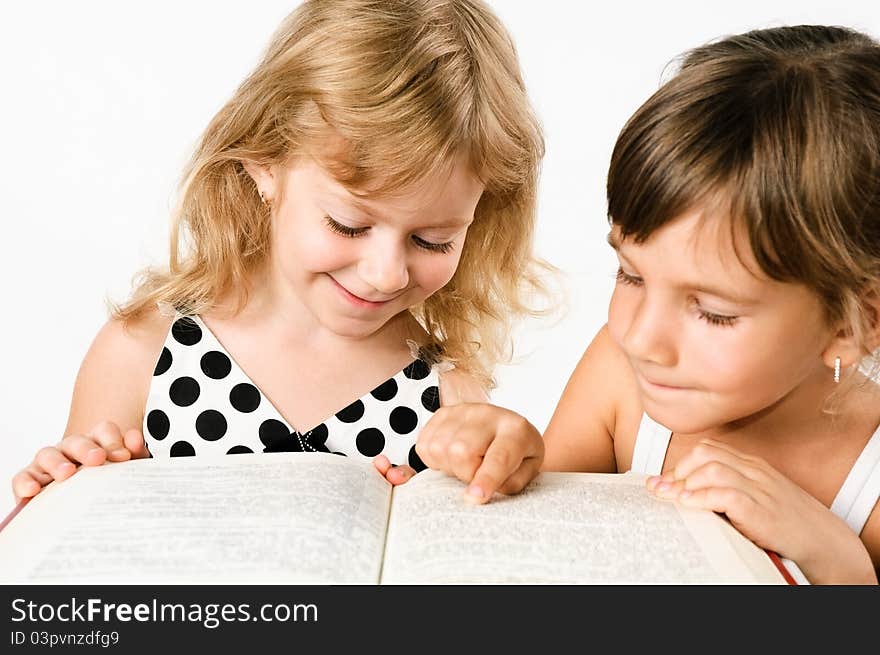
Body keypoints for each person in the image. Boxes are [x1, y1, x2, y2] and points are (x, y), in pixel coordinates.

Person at [11, 0, 547, 502]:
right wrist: (61, 488)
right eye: (348, 224)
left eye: (433, 241)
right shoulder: (142, 356)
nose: (386, 275)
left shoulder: (445, 396)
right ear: (266, 161)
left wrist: (496, 466)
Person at [538, 24, 880, 584]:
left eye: (713, 312)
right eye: (629, 275)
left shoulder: (869, 481)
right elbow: (527, 536)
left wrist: (838, 563)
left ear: (853, 323)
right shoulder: (619, 384)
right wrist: (494, 459)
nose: (642, 339)